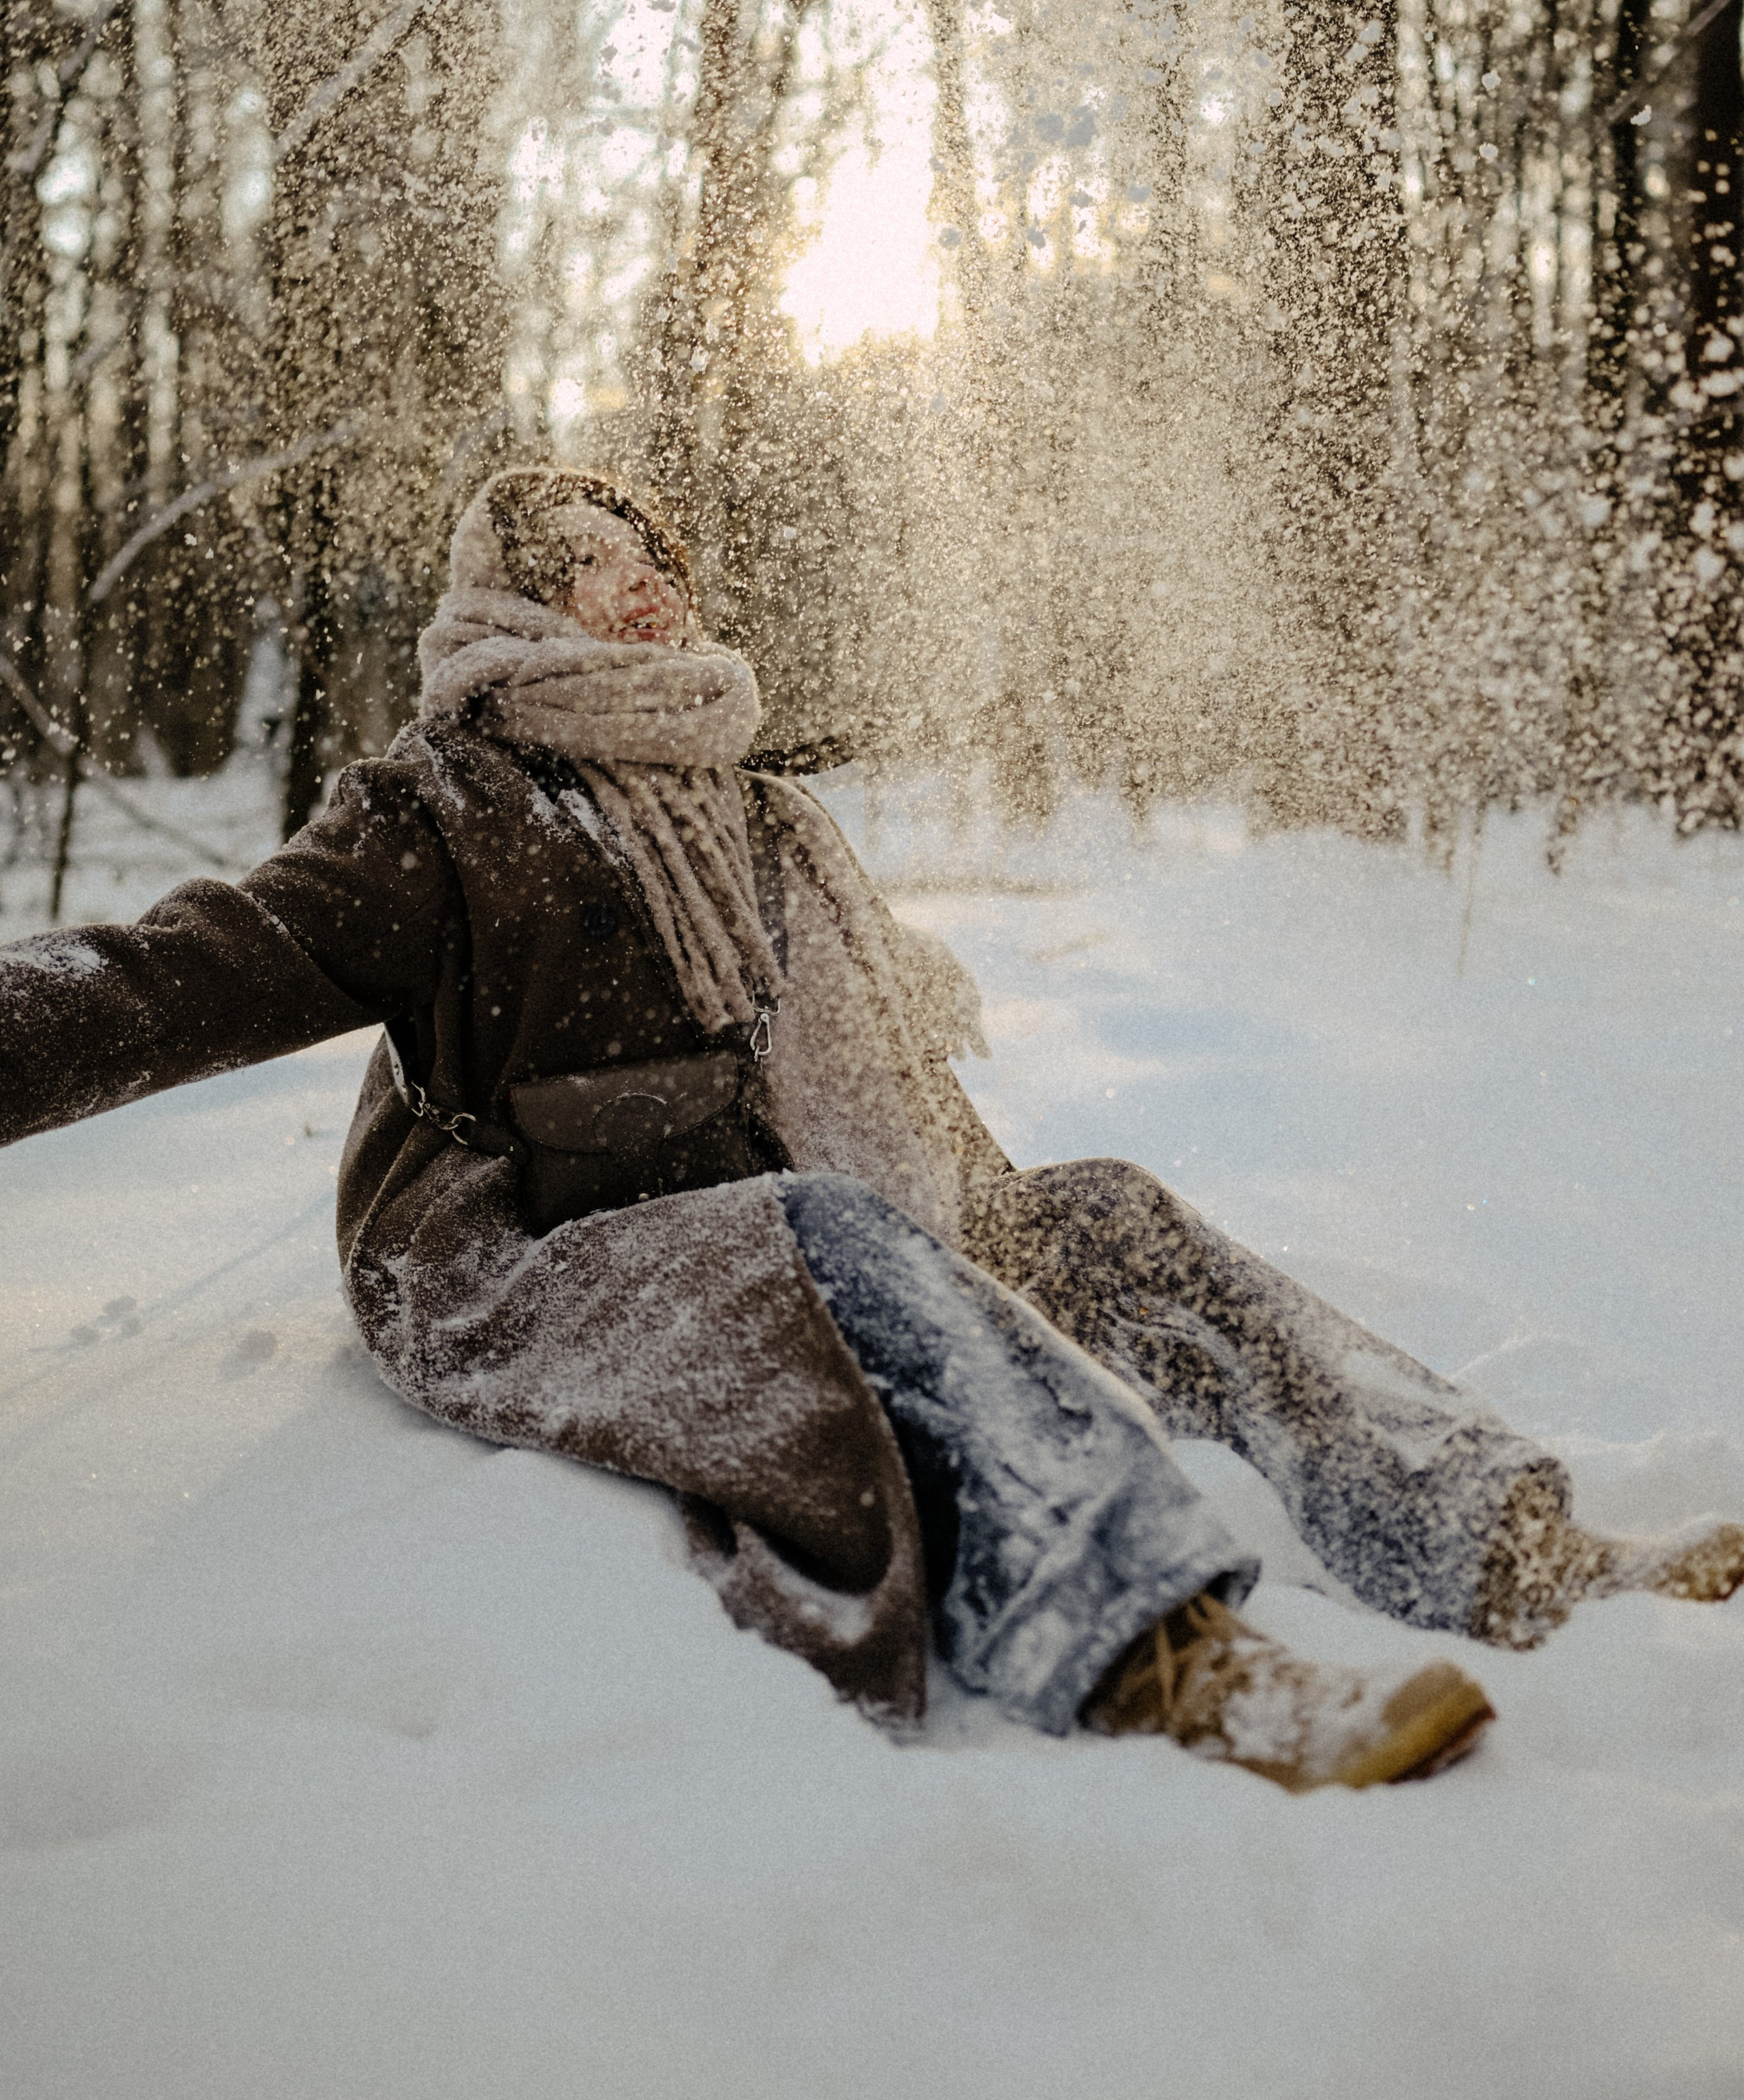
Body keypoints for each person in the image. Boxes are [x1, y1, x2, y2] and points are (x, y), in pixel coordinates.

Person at [4, 467, 1740, 1793]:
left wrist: (975, 1166)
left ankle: (1509, 1549)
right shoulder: (441, 807)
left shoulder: (753, 812)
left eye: (662, 546)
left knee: (1107, 1213)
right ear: (527, 595)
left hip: (786, 1209)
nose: (656, 572)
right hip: (539, 1252)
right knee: (839, 1240)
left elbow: (861, 1091)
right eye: (609, 547)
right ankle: (1159, 1653)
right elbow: (181, 974)